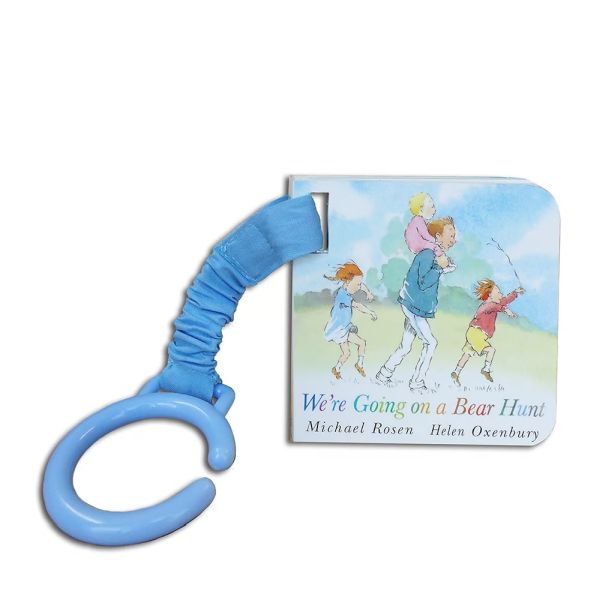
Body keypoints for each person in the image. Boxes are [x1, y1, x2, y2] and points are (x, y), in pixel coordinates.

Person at [376, 217, 456, 390]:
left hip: (413, 306)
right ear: (438, 236)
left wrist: (443, 268)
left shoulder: (433, 255)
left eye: (454, 236)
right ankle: (417, 382)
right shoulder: (427, 254)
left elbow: (429, 275)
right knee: (431, 343)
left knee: (405, 346)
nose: (453, 239)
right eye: (450, 235)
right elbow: (424, 282)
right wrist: (440, 268)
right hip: (414, 307)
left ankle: (383, 374)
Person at [451, 279, 525, 385]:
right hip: (477, 334)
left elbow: (504, 301)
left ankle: (456, 372)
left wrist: (515, 292)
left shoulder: (492, 304)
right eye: (498, 292)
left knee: (467, 353)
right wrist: (507, 310)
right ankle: (486, 369)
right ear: (490, 295)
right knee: (491, 350)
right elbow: (498, 306)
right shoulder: (487, 305)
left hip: (473, 333)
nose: (501, 294)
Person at [324, 262, 377, 379]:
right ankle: (337, 369)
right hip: (339, 330)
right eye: (357, 284)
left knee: (361, 344)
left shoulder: (346, 291)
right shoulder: (343, 296)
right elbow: (356, 305)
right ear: (348, 282)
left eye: (359, 284)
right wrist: (370, 312)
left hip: (345, 328)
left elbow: (361, 286)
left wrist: (367, 292)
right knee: (347, 353)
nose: (359, 287)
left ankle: (358, 365)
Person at [404, 192, 456, 273]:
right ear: (421, 209)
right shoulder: (419, 220)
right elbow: (425, 235)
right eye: (432, 207)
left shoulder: (417, 220)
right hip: (417, 243)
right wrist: (434, 240)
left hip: (416, 243)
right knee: (435, 247)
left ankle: (444, 263)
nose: (434, 210)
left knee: (433, 248)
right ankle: (445, 265)